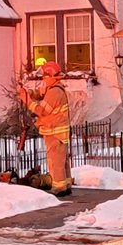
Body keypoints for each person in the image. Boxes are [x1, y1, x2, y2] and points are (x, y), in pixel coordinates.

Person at [19, 61, 72, 196]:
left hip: (55, 132)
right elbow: (40, 94)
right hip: (58, 132)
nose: (43, 79)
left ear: (50, 77)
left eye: (44, 77)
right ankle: (65, 184)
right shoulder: (54, 89)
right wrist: (28, 93)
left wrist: (27, 101)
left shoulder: (54, 92)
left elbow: (41, 110)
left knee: (55, 161)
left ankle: (59, 188)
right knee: (62, 160)